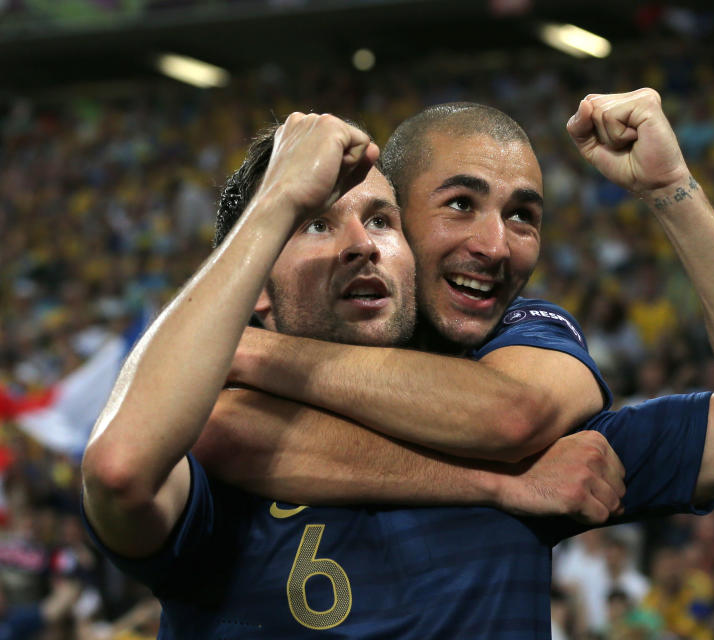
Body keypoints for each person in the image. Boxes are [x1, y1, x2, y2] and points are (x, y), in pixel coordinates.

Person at [191, 90, 714, 634]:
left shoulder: (530, 366)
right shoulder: (217, 421)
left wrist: (672, 190)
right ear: (394, 221)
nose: (495, 246)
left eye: (522, 216)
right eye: (460, 204)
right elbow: (211, 433)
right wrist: (502, 485)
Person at [80, 114, 629, 637]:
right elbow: (119, 470)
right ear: (257, 292)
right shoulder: (202, 455)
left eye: (381, 220)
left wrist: (246, 350)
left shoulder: (501, 366)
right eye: (316, 223)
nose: (363, 244)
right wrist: (278, 199)